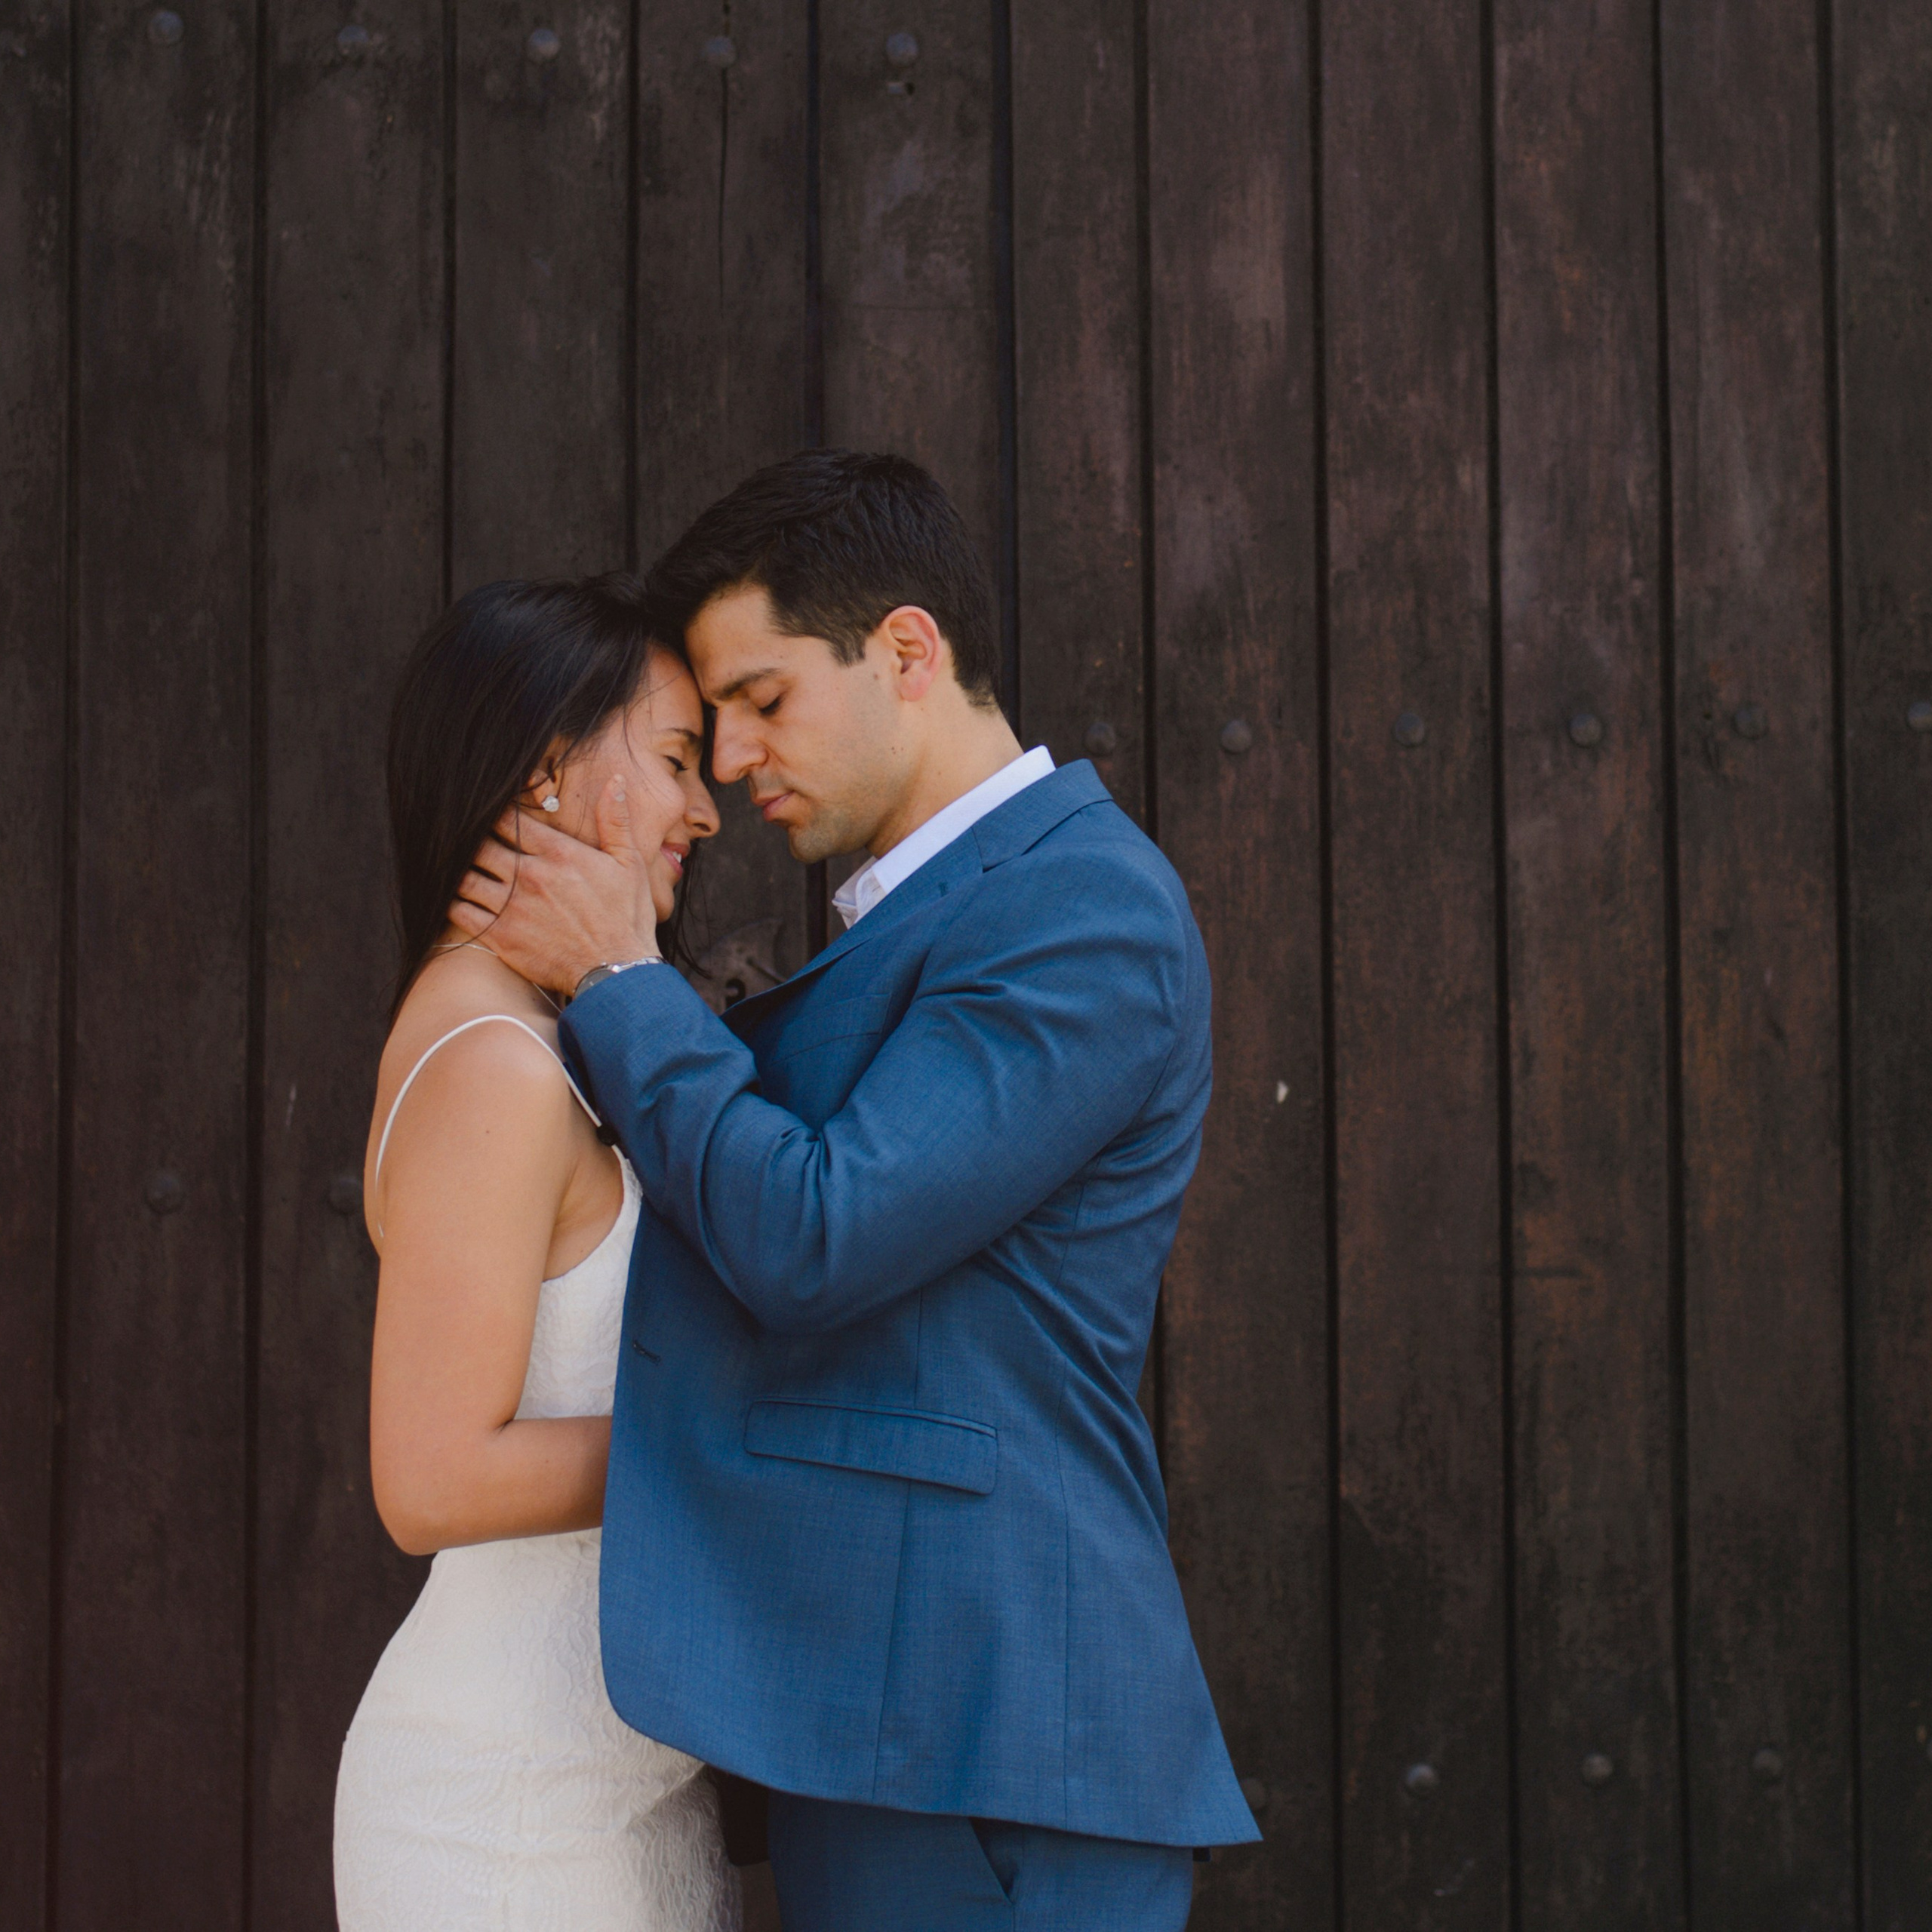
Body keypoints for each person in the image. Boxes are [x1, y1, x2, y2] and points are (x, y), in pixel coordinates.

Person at [452, 452, 1260, 1932]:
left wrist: (620, 977)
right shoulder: (942, 911)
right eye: (714, 720)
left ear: (906, 650)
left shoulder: (1083, 905)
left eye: (762, 698)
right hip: (892, 1729)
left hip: (992, 1746)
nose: (734, 758)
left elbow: (821, 1234)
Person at [333, 575, 738, 1932]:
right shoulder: (494, 1063)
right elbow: (430, 1478)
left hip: (615, 1796)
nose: (705, 810)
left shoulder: (546, 1035)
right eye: (675, 759)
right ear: (547, 771)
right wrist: (743, 1435)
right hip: (506, 1817)